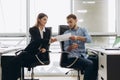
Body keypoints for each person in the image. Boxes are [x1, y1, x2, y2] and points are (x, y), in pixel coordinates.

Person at [4, 13, 56, 80]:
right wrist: (49, 40)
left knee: (15, 61)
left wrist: (45, 48)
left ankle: (12, 77)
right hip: (30, 52)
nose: (46, 21)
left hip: (41, 54)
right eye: (44, 19)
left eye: (46, 20)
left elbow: (47, 44)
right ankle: (13, 77)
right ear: (39, 20)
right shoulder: (32, 29)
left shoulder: (47, 31)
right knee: (13, 62)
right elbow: (37, 40)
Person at [63, 14, 98, 80]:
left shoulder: (83, 30)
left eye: (70, 22)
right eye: (68, 22)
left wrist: (77, 38)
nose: (69, 24)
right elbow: (65, 48)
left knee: (96, 60)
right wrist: (71, 47)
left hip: (83, 55)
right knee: (89, 64)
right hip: (73, 57)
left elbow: (89, 40)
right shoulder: (66, 33)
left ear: (76, 20)